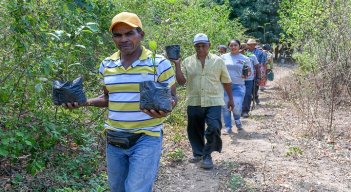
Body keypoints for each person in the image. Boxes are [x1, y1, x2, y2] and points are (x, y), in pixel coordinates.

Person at [62, 12, 177, 192]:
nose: (123, 39)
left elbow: (172, 97)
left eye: (129, 33)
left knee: (136, 189)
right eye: (118, 35)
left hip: (146, 137)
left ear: (141, 35)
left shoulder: (159, 63)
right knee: (117, 188)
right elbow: (109, 98)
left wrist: (167, 108)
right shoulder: (107, 65)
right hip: (115, 138)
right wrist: (84, 102)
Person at [171, 33, 234, 169]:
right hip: (194, 100)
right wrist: (177, 64)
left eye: (203, 45)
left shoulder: (218, 60)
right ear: (194, 47)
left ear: (209, 45)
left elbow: (227, 81)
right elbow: (181, 82)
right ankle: (198, 153)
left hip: (214, 100)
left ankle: (207, 155)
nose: (200, 48)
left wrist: (230, 99)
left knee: (214, 127)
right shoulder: (188, 61)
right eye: (197, 46)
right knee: (194, 129)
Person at [221, 40, 251, 134]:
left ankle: (237, 119)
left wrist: (246, 75)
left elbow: (249, 71)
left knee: (237, 106)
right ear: (229, 46)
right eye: (231, 45)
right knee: (225, 107)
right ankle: (228, 127)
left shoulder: (245, 58)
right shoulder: (223, 57)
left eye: (235, 45)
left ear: (239, 46)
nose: (233, 47)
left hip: (239, 85)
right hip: (225, 85)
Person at [240, 43, 259, 118]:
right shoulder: (235, 56)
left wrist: (258, 77)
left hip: (249, 79)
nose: (242, 50)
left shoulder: (252, 56)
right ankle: (238, 110)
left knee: (247, 94)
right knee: (239, 95)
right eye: (241, 48)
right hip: (237, 79)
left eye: (243, 49)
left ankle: (245, 111)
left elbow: (257, 67)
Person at [246, 39, 266, 104]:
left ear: (255, 45)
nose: (250, 46)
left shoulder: (260, 52)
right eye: (249, 45)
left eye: (252, 45)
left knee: (256, 85)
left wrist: (261, 74)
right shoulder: (245, 52)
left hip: (256, 71)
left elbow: (261, 63)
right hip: (247, 72)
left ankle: (255, 96)